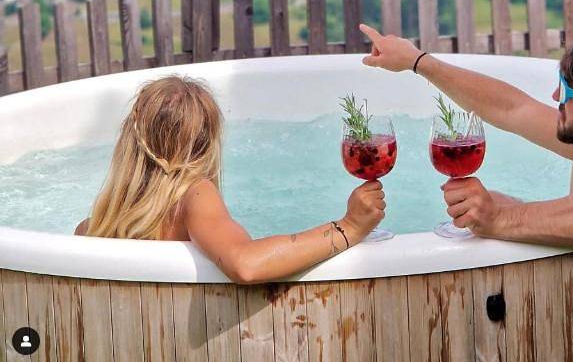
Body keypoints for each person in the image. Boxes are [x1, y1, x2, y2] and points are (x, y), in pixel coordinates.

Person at [360, 23, 573, 248]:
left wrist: (500, 219)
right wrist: (417, 61)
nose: (557, 96)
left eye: (570, 90)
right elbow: (513, 108)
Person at [75, 76, 384, 283]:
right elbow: (246, 265)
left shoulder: (91, 230)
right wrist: (349, 228)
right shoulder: (193, 194)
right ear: (206, 143)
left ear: (128, 141)